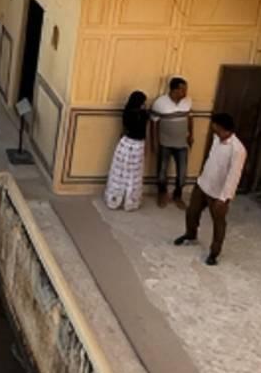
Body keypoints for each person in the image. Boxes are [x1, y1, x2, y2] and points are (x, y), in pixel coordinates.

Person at [175, 112, 246, 264]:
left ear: (221, 127)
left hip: (219, 194)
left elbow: (234, 176)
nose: (212, 128)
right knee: (192, 212)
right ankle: (190, 234)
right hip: (203, 184)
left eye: (214, 125)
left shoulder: (238, 149)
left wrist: (224, 198)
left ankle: (214, 253)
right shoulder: (216, 139)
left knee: (218, 223)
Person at [150, 77, 193, 206]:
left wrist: (191, 135)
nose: (185, 92)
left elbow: (190, 118)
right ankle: (162, 194)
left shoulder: (188, 101)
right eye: (182, 90)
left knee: (182, 173)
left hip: (182, 144)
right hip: (165, 143)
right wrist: (154, 142)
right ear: (174, 90)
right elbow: (154, 124)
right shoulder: (160, 103)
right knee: (162, 172)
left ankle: (177, 195)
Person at [104, 92, 149, 210]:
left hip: (125, 144)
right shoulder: (143, 114)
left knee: (120, 172)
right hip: (138, 146)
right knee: (133, 175)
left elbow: (124, 129)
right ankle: (130, 201)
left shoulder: (126, 113)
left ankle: (114, 199)